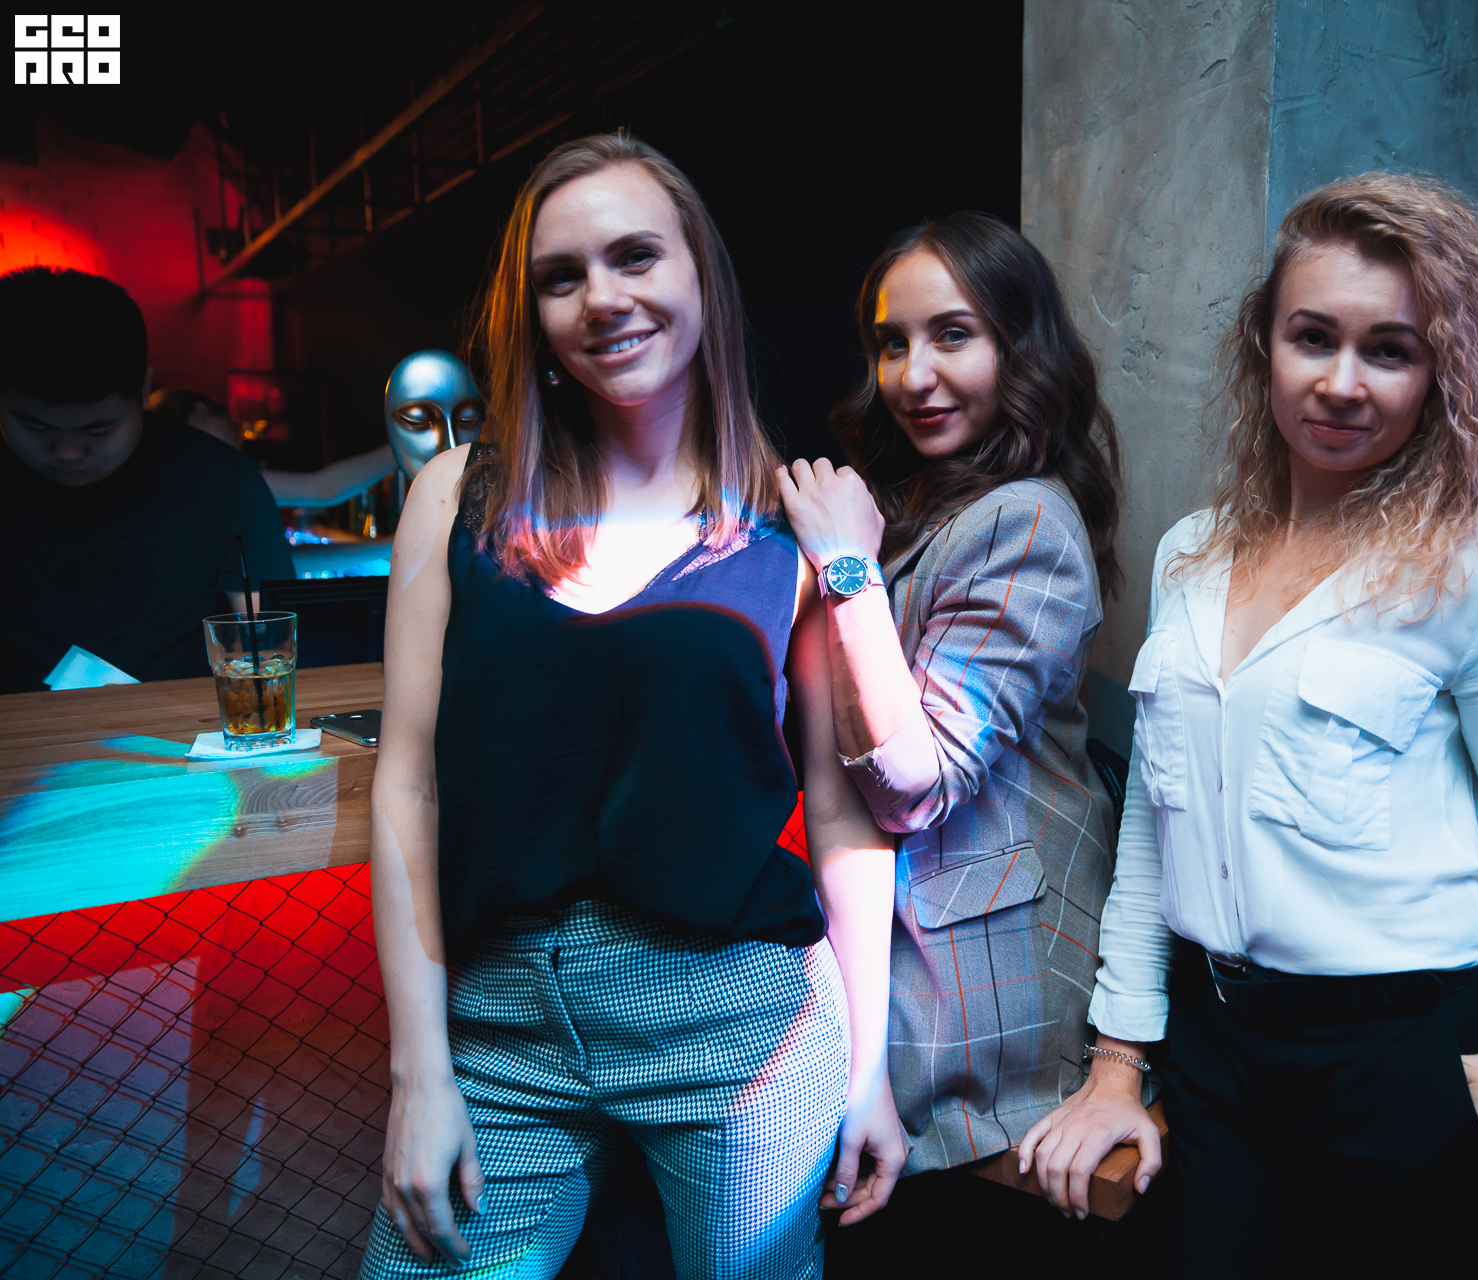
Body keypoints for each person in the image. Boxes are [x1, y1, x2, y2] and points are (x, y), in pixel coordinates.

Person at [1019, 172, 1478, 1275]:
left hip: (1414, 1049)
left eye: (1390, 350)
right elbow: (1155, 824)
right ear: (1267, 348)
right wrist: (1118, 1058)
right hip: (1219, 1050)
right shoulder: (1192, 554)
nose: (1342, 383)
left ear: (1440, 373)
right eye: (1313, 338)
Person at [361, 132, 904, 1280]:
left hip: (737, 1026)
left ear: (702, 274)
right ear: (533, 316)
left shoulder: (786, 526)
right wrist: (420, 1069)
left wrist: (868, 1068)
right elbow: (407, 782)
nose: (602, 296)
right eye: (562, 276)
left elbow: (841, 808)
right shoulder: (457, 497)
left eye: (635, 256)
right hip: (500, 1025)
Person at [776, 212, 1123, 1256]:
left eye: (953, 335)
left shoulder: (1025, 520)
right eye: (893, 343)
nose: (914, 374)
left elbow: (914, 781)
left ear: (1021, 348)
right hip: (906, 983)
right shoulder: (921, 507)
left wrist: (843, 568)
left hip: (984, 1009)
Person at [0, 267, 293, 693]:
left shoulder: (219, 479)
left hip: (185, 729)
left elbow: (269, 642)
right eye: (36, 427)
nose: (68, 452)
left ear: (144, 390)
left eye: (97, 430)